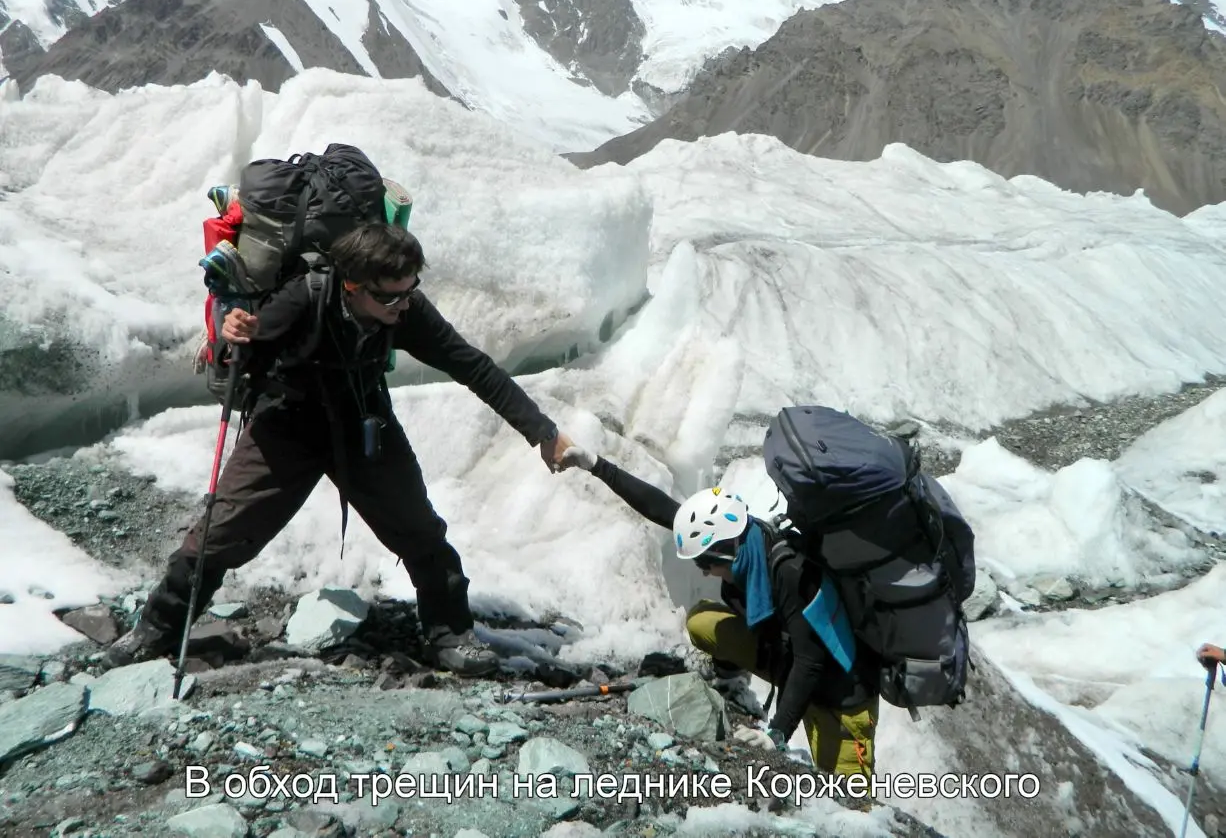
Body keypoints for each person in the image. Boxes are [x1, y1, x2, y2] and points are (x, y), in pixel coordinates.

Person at [106, 224, 574, 677]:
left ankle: (450, 633)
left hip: (362, 417)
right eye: (390, 295)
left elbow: (471, 364)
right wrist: (234, 334)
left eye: (410, 290)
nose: (402, 303)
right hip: (287, 423)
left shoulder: (406, 308)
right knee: (220, 532)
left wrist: (542, 432)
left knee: (419, 529)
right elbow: (240, 353)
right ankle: (157, 628)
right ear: (351, 285)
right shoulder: (301, 299)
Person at [558, 445, 882, 778]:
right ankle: (731, 680)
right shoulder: (740, 537)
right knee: (702, 621)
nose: (701, 571)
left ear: (726, 555)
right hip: (787, 657)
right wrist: (596, 465)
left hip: (840, 693)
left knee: (847, 796)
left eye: (704, 562)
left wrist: (777, 732)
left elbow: (811, 661)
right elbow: (663, 509)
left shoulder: (789, 572)